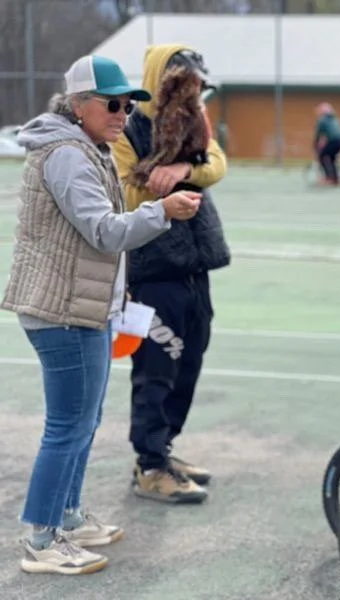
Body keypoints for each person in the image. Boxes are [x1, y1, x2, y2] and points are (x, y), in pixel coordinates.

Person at [0, 54, 200, 574]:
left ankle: (65, 516)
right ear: (79, 105)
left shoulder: (85, 148)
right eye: (113, 104)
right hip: (62, 310)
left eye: (129, 104)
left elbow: (96, 242)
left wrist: (117, 297)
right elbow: (104, 231)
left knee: (82, 423)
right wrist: (161, 212)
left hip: (80, 306)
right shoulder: (67, 154)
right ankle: (42, 540)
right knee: (67, 426)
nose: (123, 114)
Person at [111, 44, 231, 504]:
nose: (194, 92)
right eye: (185, 82)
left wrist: (184, 168)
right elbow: (125, 191)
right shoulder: (130, 125)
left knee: (191, 361)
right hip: (152, 270)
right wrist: (158, 190)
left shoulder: (193, 120)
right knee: (155, 371)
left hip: (194, 268)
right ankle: (149, 464)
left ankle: (163, 449)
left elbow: (216, 162)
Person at [313, 102, 340, 185]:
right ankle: (336, 178)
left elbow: (319, 134)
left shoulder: (322, 120)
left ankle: (329, 177)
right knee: (332, 158)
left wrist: (315, 145)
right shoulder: (334, 119)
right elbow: (332, 133)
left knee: (322, 156)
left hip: (335, 140)